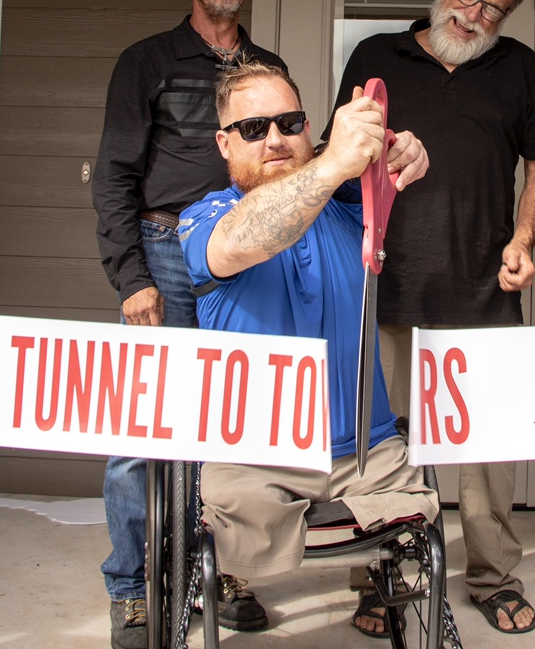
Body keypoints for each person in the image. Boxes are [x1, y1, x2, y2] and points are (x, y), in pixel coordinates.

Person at [325, 0, 535, 636]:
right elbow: (337, 162)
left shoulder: (516, 68)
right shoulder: (375, 57)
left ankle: (491, 576)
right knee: (380, 454)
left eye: (494, 6)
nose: (475, 12)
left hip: (483, 296)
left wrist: (522, 243)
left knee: (487, 459)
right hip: (386, 288)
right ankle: (384, 578)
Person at [176, 60, 438, 628]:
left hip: (365, 454)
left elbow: (384, 173)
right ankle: (229, 579)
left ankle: (379, 583)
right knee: (221, 511)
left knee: (421, 523)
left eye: (289, 122)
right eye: (253, 129)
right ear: (224, 143)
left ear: (307, 126)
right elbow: (241, 241)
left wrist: (400, 153)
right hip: (252, 461)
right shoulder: (205, 218)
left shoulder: (349, 206)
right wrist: (332, 163)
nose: (275, 139)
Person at [91, 0, 285, 648]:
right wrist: (130, 278)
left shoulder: (268, 68)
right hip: (164, 251)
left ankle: (223, 570)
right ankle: (133, 589)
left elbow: (285, 166)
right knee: (143, 424)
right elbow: (114, 175)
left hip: (244, 256)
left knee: (232, 420)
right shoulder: (146, 62)